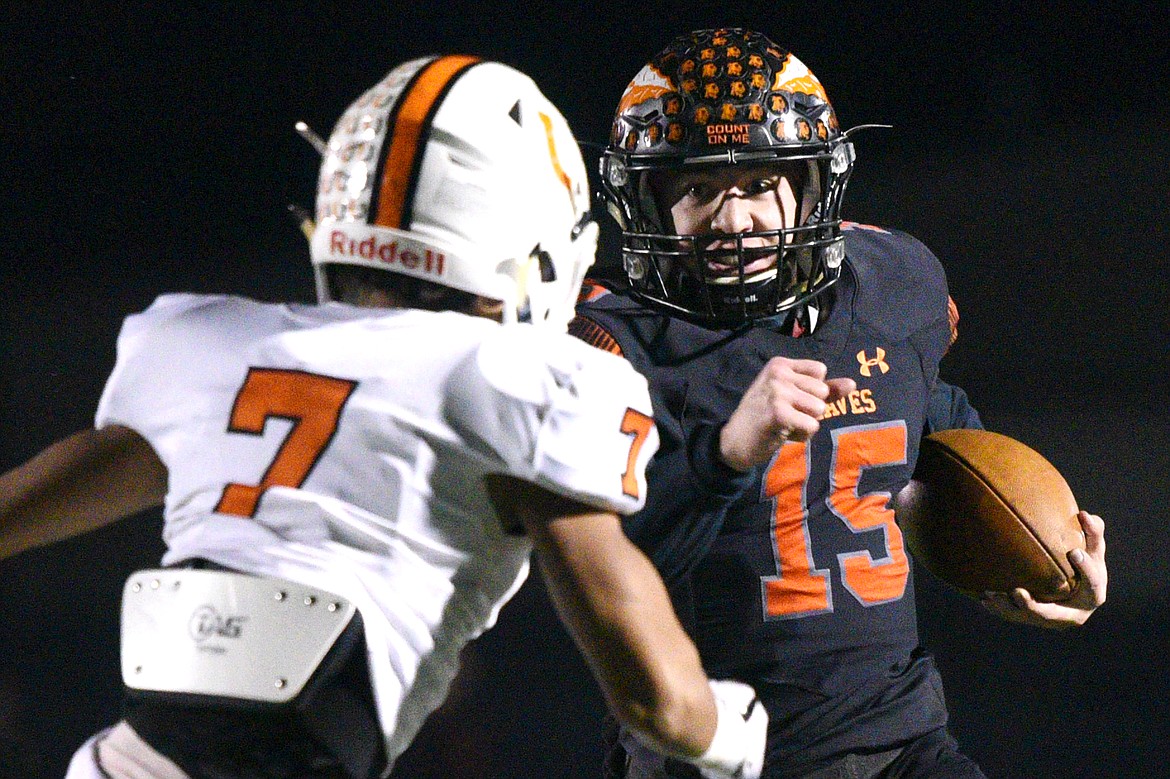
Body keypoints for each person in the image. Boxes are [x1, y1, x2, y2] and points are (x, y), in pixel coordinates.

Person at [0, 56, 769, 779]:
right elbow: (659, 700)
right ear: (532, 242)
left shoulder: (215, 350)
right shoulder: (518, 382)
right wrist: (727, 733)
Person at [570, 28, 1108, 778]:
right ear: (646, 199)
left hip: (905, 745)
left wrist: (1032, 558)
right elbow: (595, 568)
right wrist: (725, 453)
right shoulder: (613, 343)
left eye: (759, 184)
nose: (733, 220)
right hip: (712, 759)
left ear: (813, 185)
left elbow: (937, 430)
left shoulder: (889, 283)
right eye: (697, 189)